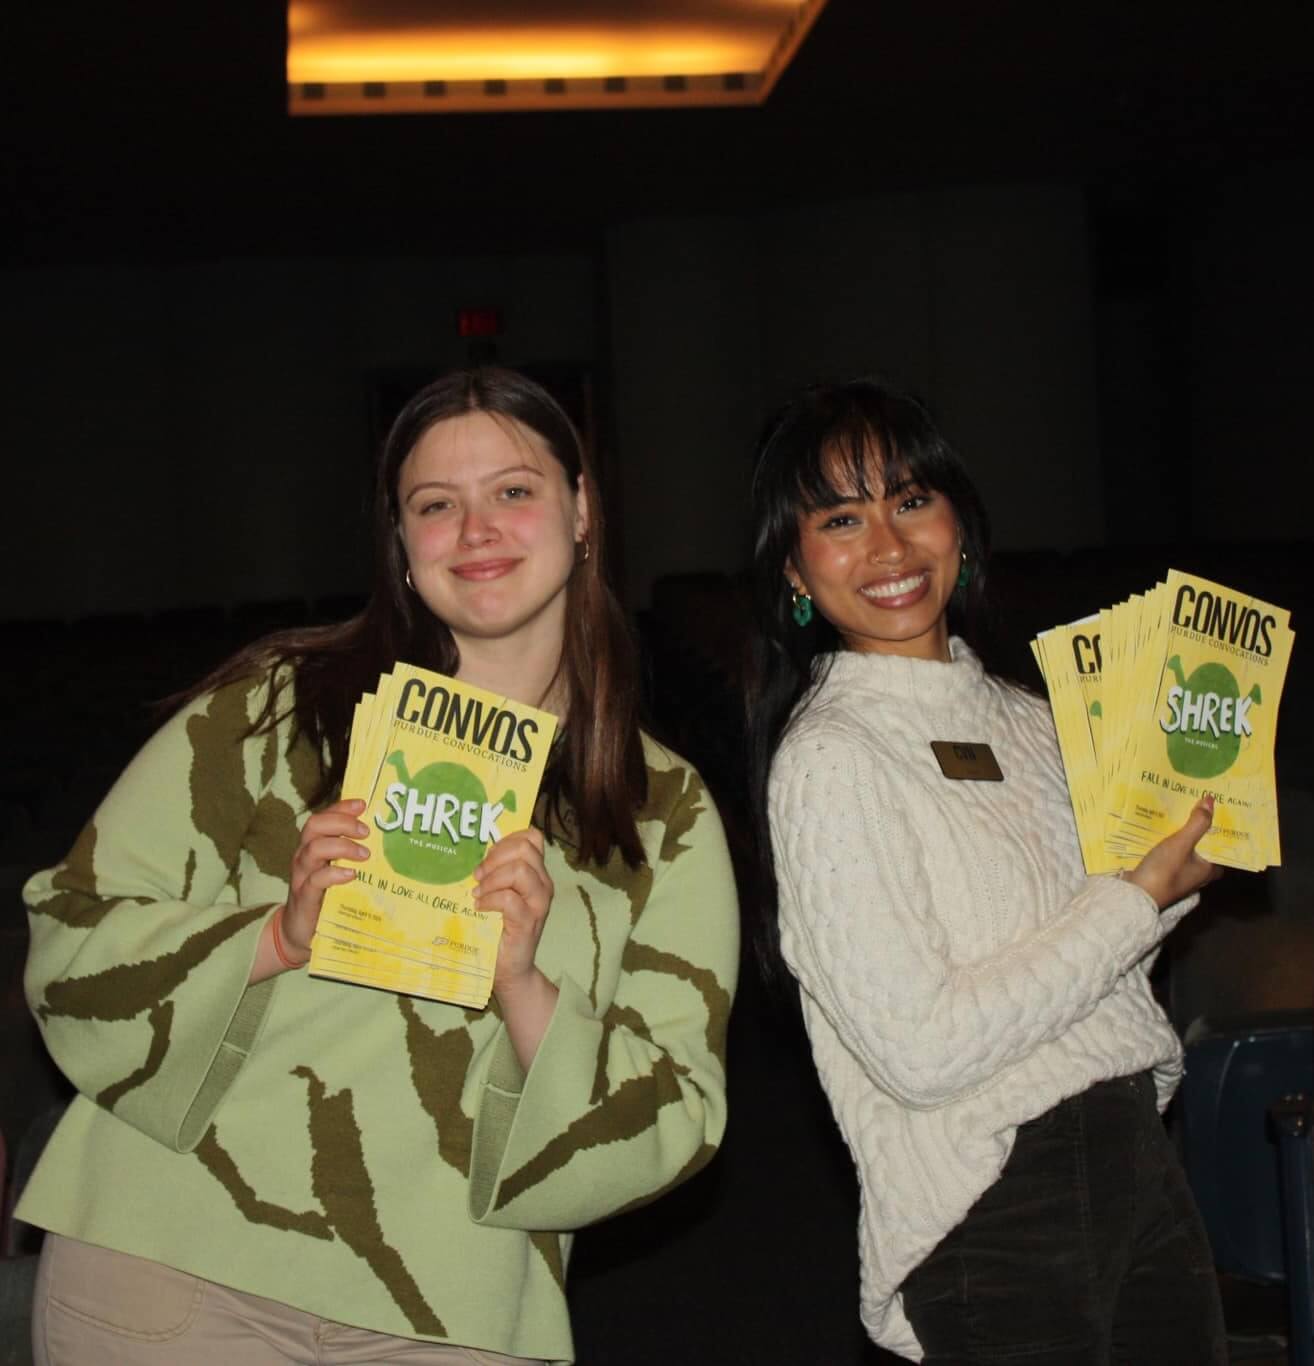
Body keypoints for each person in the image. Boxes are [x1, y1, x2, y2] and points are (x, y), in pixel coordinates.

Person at [21, 367, 738, 1365]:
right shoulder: (275, 715)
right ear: (402, 547)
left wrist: (526, 990)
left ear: (583, 511)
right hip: (170, 1271)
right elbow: (70, 940)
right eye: (435, 505)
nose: (476, 529)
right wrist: (274, 936)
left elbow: (677, 1115)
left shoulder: (661, 810)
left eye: (514, 491)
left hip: (455, 1307)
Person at [745, 377, 1226, 1364]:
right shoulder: (831, 755)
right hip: (994, 1203)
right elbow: (921, 1049)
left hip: (1141, 1158)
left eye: (912, 500)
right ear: (794, 570)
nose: (888, 545)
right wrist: (1137, 901)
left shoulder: (1037, 715)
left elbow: (1094, 954)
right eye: (842, 517)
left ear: (960, 523)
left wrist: (1174, 876)